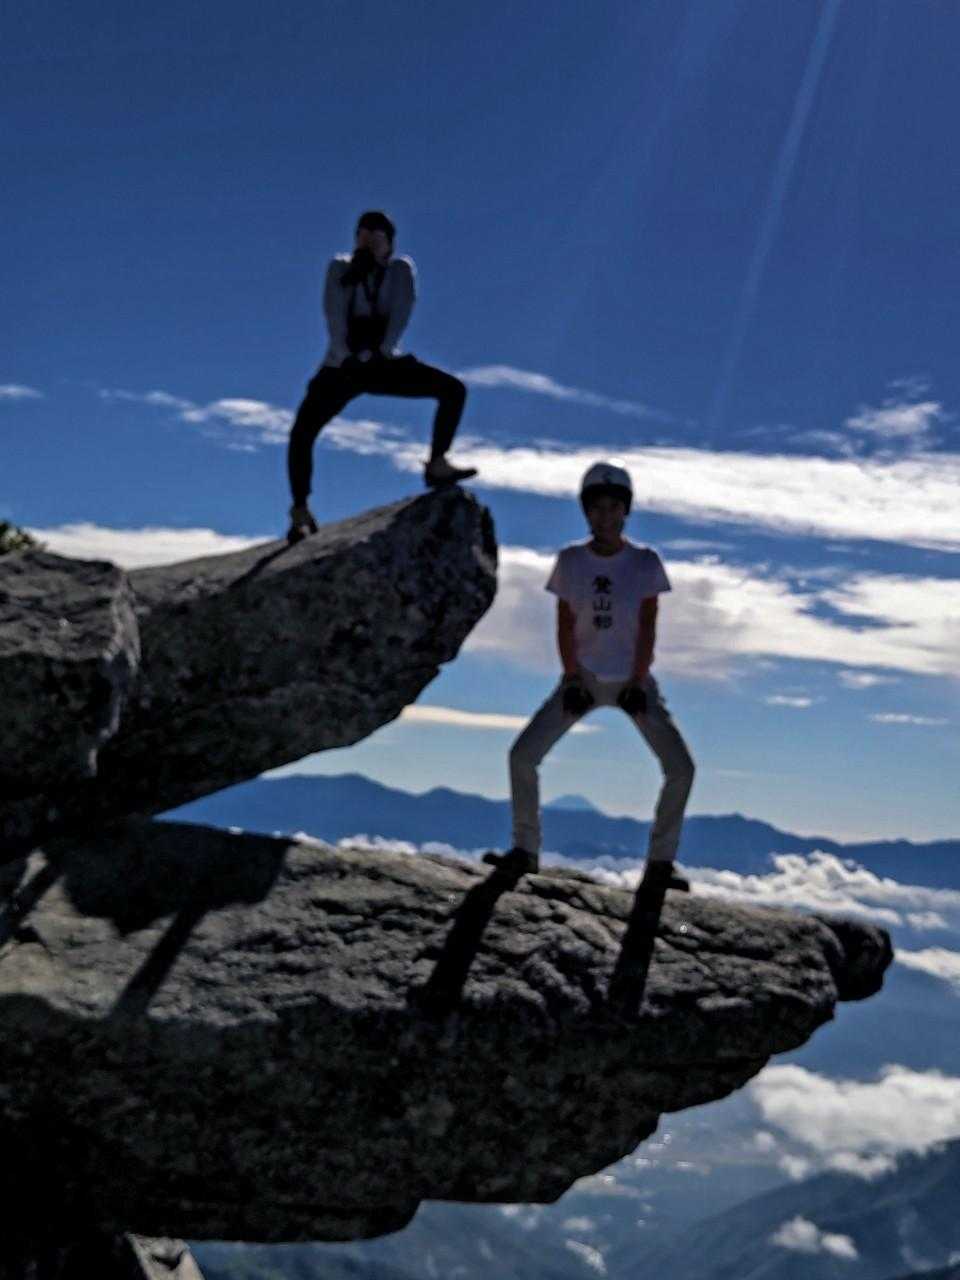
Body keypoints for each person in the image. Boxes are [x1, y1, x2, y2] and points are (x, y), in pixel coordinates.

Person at [484, 461, 695, 895]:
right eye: (597, 508)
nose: (605, 516)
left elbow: (648, 625)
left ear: (626, 511)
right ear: (586, 511)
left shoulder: (644, 563)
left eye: (613, 507)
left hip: (634, 683)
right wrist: (572, 678)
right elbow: (563, 623)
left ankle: (660, 863)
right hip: (581, 680)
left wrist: (638, 680)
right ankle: (525, 850)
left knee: (681, 768)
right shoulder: (571, 561)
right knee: (522, 756)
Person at [285, 210, 477, 542]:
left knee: (453, 390)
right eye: (362, 235)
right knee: (302, 432)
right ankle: (300, 510)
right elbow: (334, 316)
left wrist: (382, 353)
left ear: (388, 243)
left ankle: (437, 463)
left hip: (383, 362)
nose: (368, 242)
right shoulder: (341, 269)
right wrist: (347, 357)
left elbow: (401, 313)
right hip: (341, 366)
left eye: (376, 237)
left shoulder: (399, 271)